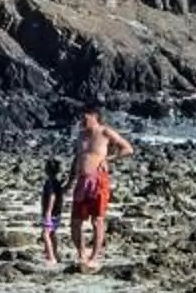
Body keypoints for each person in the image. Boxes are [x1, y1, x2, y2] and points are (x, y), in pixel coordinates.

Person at [67, 108, 134, 273]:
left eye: (85, 117)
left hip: (99, 180)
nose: (82, 120)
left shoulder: (105, 132)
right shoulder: (81, 136)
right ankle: (82, 253)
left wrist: (109, 158)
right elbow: (76, 159)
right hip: (82, 180)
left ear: (94, 116)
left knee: (97, 220)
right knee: (75, 222)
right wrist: (69, 182)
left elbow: (127, 149)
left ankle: (94, 257)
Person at [38, 157, 68, 267]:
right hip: (57, 212)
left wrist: (47, 213)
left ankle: (51, 257)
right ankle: (54, 254)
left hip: (51, 212)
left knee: (45, 234)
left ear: (47, 170)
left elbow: (52, 197)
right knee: (52, 233)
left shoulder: (50, 183)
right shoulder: (57, 182)